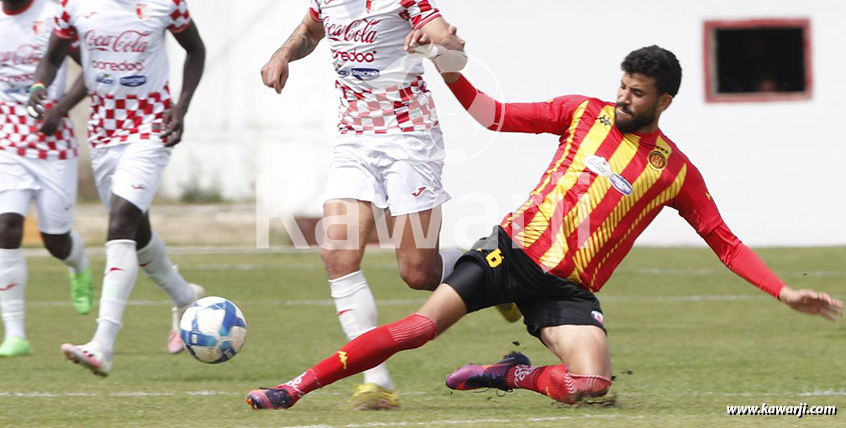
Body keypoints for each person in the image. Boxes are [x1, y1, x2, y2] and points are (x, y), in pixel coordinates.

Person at [245, 42, 843, 409]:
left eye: (636, 94)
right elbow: (492, 114)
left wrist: (784, 291)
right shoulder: (581, 113)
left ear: (664, 103)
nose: (622, 99)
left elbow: (725, 242)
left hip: (567, 291)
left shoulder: (674, 172)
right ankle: (296, 388)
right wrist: (449, 64)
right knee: (420, 328)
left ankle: (512, 374)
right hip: (510, 254)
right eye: (622, 86)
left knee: (592, 387)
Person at [258, 0, 467, 409]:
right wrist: (283, 54)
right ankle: (378, 382)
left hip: (408, 139)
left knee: (417, 273)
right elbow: (312, 29)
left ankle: (493, 271)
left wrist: (437, 40)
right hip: (354, 139)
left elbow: (452, 48)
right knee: (337, 253)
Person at [28, 0, 206, 376]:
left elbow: (196, 50)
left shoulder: (164, 1)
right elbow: (51, 57)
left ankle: (102, 344)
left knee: (120, 221)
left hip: (150, 129)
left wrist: (180, 108)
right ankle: (186, 298)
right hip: (104, 135)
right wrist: (39, 90)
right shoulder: (75, 4)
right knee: (136, 230)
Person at [0, 0, 94, 358]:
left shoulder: (52, 16)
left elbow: (92, 69)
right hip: (6, 144)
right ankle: (16, 333)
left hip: (53, 143)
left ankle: (78, 265)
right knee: (6, 228)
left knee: (55, 239)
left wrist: (60, 109)